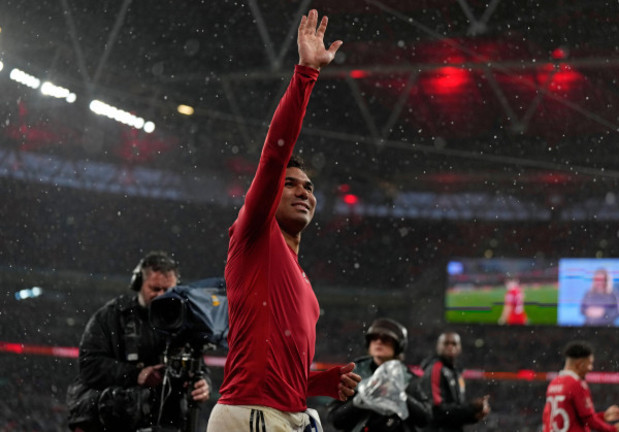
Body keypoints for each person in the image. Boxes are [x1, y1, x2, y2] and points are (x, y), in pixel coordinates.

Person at [206, 9, 360, 432]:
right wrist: (306, 74)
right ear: (270, 193)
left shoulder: (301, 281)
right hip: (253, 414)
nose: (303, 191)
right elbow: (276, 153)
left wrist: (319, 382)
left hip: (282, 413)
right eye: (291, 184)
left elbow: (275, 373)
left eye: (309, 187)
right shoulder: (254, 234)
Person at [66, 251, 211, 432]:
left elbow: (197, 365)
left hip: (163, 422)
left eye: (168, 290)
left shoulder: (182, 324)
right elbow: (89, 365)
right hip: (110, 420)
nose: (161, 295)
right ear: (138, 285)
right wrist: (136, 374)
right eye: (155, 289)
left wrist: (203, 383)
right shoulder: (111, 316)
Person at [328, 318, 430, 431]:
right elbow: (335, 419)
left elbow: (425, 418)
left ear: (398, 345)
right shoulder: (353, 375)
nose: (379, 342)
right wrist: (359, 401)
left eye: (386, 339)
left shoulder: (409, 378)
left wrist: (402, 396)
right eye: (374, 338)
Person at [542, 340, 619, 432]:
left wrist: (602, 416)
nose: (591, 368)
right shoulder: (576, 384)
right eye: (590, 363)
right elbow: (588, 420)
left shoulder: (554, 383)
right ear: (580, 364)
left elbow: (554, 419)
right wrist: (613, 429)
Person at [410, 331, 489, 432]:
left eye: (454, 343)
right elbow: (435, 411)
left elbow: (453, 412)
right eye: (446, 343)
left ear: (460, 348)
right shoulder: (436, 368)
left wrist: (474, 415)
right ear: (438, 347)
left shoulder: (456, 372)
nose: (450, 346)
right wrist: (471, 409)